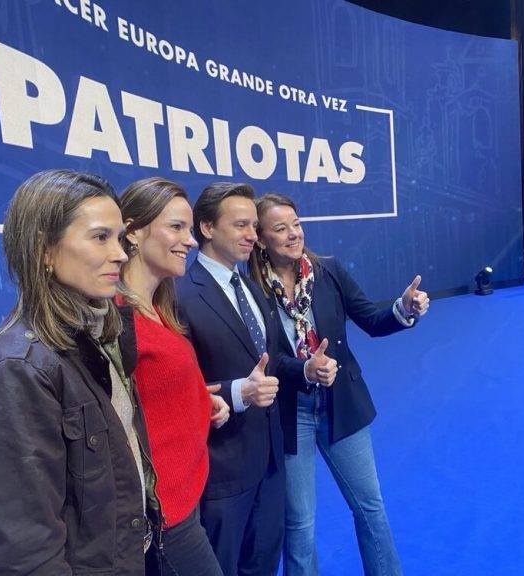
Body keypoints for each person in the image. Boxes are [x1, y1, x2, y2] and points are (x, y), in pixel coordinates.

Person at [0, 170, 155, 575]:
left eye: (119, 239)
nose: (120, 253)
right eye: (101, 237)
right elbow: (28, 556)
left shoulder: (98, 333)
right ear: (44, 250)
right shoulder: (13, 370)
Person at [248, 193, 429, 576]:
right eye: (280, 228)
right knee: (299, 525)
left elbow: (373, 320)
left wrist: (404, 309)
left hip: (341, 404)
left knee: (370, 507)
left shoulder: (327, 270)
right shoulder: (249, 287)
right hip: (288, 412)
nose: (294, 234)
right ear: (261, 238)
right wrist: (304, 370)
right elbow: (260, 357)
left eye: (296, 224)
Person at [175, 182, 335, 576]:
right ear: (207, 228)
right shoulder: (180, 295)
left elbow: (270, 360)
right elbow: (178, 386)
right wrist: (237, 393)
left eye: (253, 226)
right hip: (223, 472)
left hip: (270, 459)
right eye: (241, 225)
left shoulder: (248, 285)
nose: (252, 235)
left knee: (263, 563)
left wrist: (305, 370)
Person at [118, 177, 231, 575]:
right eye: (176, 227)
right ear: (132, 231)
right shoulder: (117, 318)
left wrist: (201, 399)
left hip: (186, 497)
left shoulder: (158, 308)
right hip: (165, 516)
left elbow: (152, 391)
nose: (192, 240)